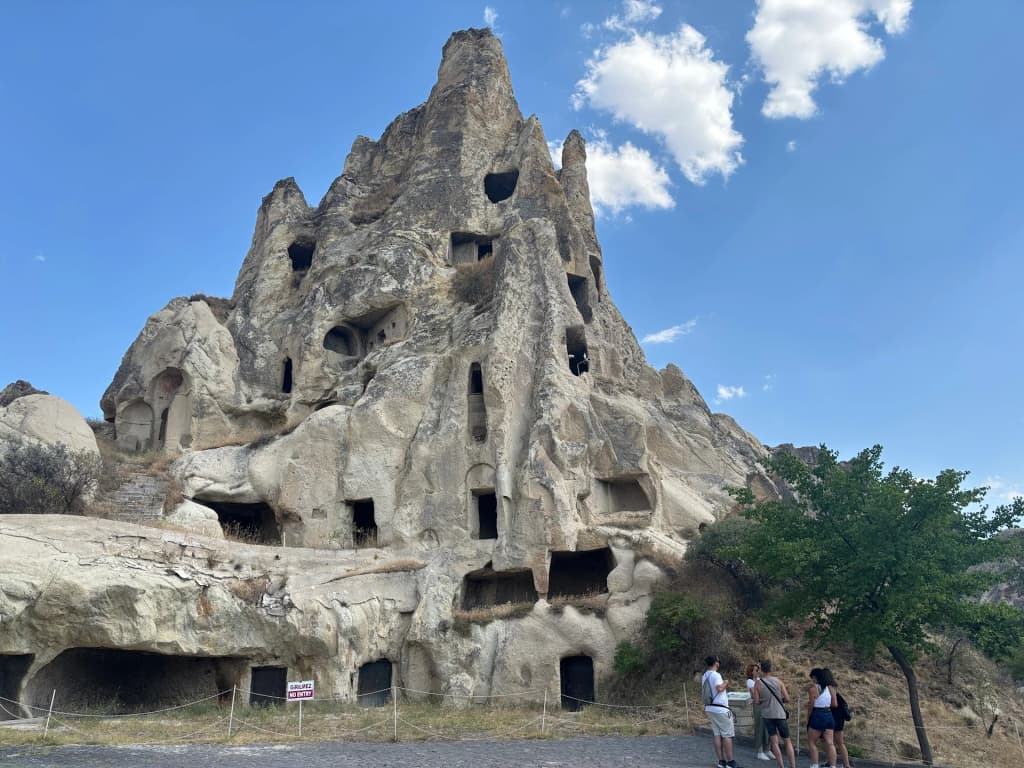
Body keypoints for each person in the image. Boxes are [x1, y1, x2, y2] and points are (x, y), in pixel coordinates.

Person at [751, 660, 797, 768]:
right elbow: (787, 699)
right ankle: (793, 766)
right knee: (787, 741)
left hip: (767, 715)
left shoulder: (758, 683)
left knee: (774, 742)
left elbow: (757, 701)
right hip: (780, 714)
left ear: (761, 670)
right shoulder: (778, 682)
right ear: (770, 669)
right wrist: (780, 700)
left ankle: (781, 765)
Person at [703, 655, 741, 768]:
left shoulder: (705, 675)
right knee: (727, 735)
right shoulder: (715, 675)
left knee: (717, 735)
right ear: (716, 663)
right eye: (718, 661)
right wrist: (726, 682)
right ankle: (730, 762)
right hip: (720, 709)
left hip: (710, 707)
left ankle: (721, 761)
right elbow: (719, 688)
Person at [806, 667, 838, 768]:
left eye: (813, 678)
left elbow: (811, 705)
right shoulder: (831, 688)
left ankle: (815, 764)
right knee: (830, 743)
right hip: (828, 714)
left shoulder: (813, 689)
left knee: (812, 742)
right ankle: (833, 765)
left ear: (815, 677)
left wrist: (809, 716)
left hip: (817, 714)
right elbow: (834, 704)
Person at [745, 663, 771, 761]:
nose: (758, 672)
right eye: (756, 670)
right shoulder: (750, 681)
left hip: (765, 704)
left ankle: (768, 749)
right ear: (751, 672)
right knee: (759, 726)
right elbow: (755, 694)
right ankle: (760, 751)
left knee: (768, 726)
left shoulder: (760, 680)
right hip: (758, 705)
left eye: (758, 669)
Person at [827, 670, 852, 768]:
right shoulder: (838, 693)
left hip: (834, 717)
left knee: (831, 742)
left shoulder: (828, 689)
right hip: (840, 718)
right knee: (840, 743)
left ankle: (831, 762)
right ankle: (846, 764)